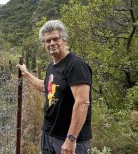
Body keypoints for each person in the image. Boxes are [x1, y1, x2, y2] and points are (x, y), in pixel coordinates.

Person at [17, 20, 92, 154]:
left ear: (64, 39)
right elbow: (46, 87)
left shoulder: (75, 65)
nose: (52, 43)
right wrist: (26, 73)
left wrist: (71, 139)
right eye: (47, 41)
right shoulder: (52, 66)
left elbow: (82, 103)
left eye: (55, 39)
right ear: (44, 44)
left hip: (68, 139)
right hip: (49, 134)